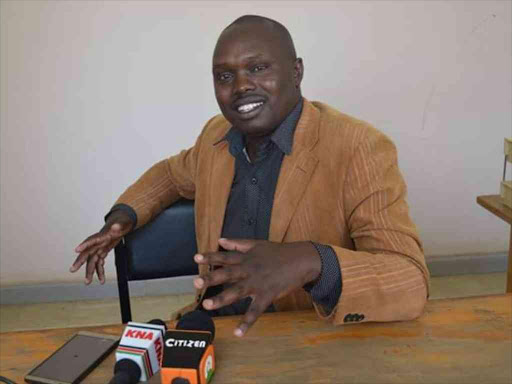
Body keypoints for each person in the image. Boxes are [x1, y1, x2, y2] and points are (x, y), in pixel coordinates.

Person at [70, 15, 429, 337]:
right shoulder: (216, 136)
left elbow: (409, 280)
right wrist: (122, 217)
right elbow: (170, 175)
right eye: (225, 76)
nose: (241, 86)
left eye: (257, 68)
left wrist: (312, 260)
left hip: (307, 338)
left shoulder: (359, 147)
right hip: (212, 327)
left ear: (296, 71)